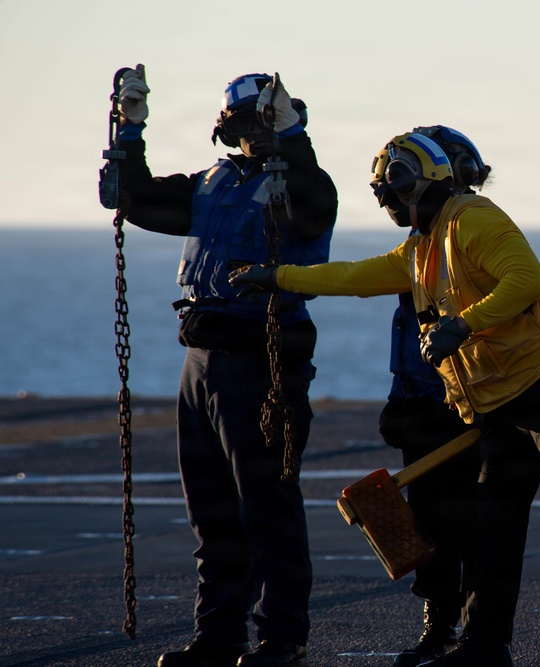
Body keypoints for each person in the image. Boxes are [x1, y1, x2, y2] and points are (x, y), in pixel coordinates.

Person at [230, 128, 540, 666]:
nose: (387, 200)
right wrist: (279, 276)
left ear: (420, 182)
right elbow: (355, 276)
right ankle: (485, 646)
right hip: (501, 403)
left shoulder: (473, 219)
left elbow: (525, 281)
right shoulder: (421, 247)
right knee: (495, 525)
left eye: (392, 187)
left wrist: (462, 326)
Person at [112, 66, 337, 667]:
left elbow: (311, 208)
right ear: (228, 129)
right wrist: (129, 130)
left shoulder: (307, 183)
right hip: (203, 361)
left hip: (264, 361)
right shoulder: (211, 184)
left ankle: (280, 640)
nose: (259, 134)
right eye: (250, 123)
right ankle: (218, 639)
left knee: (267, 508)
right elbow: (130, 198)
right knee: (212, 513)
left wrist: (293, 144)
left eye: (273, 122)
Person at [377, 127, 483, 667]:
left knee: (468, 529)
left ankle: (473, 636)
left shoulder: (471, 240)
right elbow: (410, 337)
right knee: (428, 529)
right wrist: (400, 401)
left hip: (465, 411)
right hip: (423, 411)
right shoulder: (417, 250)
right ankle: (440, 628)